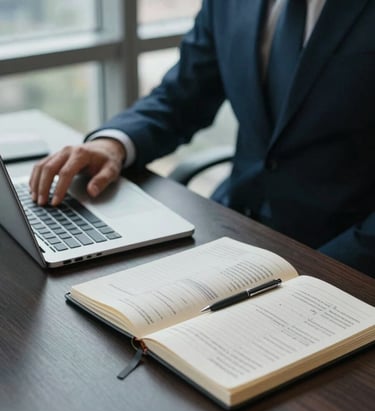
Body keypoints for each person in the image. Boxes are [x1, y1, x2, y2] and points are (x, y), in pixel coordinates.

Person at [29, 0, 375, 277]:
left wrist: (327, 272)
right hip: (233, 227)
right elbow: (182, 96)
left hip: (346, 252)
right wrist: (113, 144)